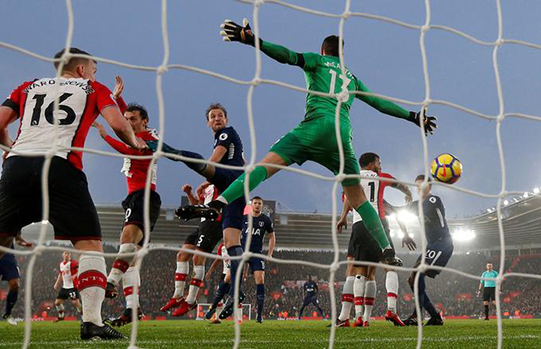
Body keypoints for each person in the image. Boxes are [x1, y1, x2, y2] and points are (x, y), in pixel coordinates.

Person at [174, 20, 438, 267]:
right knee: (358, 199)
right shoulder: (352, 78)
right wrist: (413, 116)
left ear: (323, 50)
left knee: (262, 168)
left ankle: (218, 203)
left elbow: (288, 56)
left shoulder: (317, 61)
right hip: (341, 136)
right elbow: (379, 103)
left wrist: (256, 42)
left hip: (313, 128)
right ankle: (387, 249)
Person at [0, 47, 144, 340]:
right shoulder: (93, 87)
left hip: (16, 166)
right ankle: (92, 322)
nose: (96, 75)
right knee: (90, 246)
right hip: (60, 166)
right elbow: (118, 124)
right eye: (94, 70)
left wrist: (11, 149)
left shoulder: (27, 86)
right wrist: (135, 144)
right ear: (83, 70)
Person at [145, 103, 248, 315]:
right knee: (209, 248)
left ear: (226, 120)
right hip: (226, 196)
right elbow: (241, 161)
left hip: (229, 183)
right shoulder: (228, 140)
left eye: (220, 115)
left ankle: (171, 151)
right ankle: (181, 295)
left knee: (202, 165)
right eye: (213, 116)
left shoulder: (226, 134)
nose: (217, 119)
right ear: (208, 122)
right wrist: (202, 190)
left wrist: (208, 178)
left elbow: (216, 160)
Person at [93, 79, 162, 326]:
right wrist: (118, 99)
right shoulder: (137, 132)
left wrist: (104, 136)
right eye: (128, 118)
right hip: (135, 198)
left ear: (144, 121)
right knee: (130, 257)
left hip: (144, 196)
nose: (128, 122)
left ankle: (110, 281)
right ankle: (132, 309)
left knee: (127, 241)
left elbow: (132, 150)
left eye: (133, 119)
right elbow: (124, 127)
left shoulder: (152, 137)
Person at [336, 153, 415, 327]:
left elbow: (348, 198)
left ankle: (357, 317)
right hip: (379, 223)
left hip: (359, 226)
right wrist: (408, 192)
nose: (380, 165)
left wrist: (342, 218)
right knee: (390, 267)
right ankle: (391, 310)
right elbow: (399, 185)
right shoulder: (381, 177)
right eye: (379, 162)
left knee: (360, 272)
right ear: (372, 164)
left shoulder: (352, 179)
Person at [159, 182, 222, 317]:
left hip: (214, 223)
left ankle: (191, 300)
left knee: (197, 258)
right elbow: (197, 206)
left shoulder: (222, 183)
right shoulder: (209, 188)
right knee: (182, 255)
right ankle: (178, 296)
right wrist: (190, 193)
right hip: (203, 223)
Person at [401, 175, 454, 326]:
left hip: (443, 244)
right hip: (431, 246)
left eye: (422, 185)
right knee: (412, 280)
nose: (418, 188)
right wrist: (405, 234)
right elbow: (400, 215)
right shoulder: (417, 204)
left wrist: (407, 205)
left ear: (429, 187)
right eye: (416, 186)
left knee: (417, 274)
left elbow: (416, 209)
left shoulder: (433, 200)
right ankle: (434, 316)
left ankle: (416, 315)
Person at [237, 196, 275, 323]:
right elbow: (236, 234)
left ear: (262, 206)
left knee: (260, 280)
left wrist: (269, 254)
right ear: (251, 205)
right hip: (242, 253)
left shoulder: (265, 220)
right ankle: (230, 305)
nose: (257, 205)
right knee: (231, 278)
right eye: (255, 203)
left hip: (257, 254)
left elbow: (271, 237)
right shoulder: (244, 218)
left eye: (259, 203)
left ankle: (259, 314)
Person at [204, 243, 230, 324]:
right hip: (224, 274)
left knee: (235, 295)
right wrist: (210, 271)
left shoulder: (237, 245)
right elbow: (217, 260)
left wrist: (245, 272)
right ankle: (217, 318)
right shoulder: (221, 247)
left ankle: (239, 319)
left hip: (233, 273)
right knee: (220, 295)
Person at [53, 251, 82, 322]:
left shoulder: (73, 263)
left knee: (75, 302)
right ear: (62, 255)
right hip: (64, 287)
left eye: (68, 253)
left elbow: (81, 269)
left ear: (70, 255)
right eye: (65, 253)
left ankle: (85, 317)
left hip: (72, 286)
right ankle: (61, 316)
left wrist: (75, 275)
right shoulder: (61, 264)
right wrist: (56, 283)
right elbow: (60, 274)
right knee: (57, 302)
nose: (67, 255)